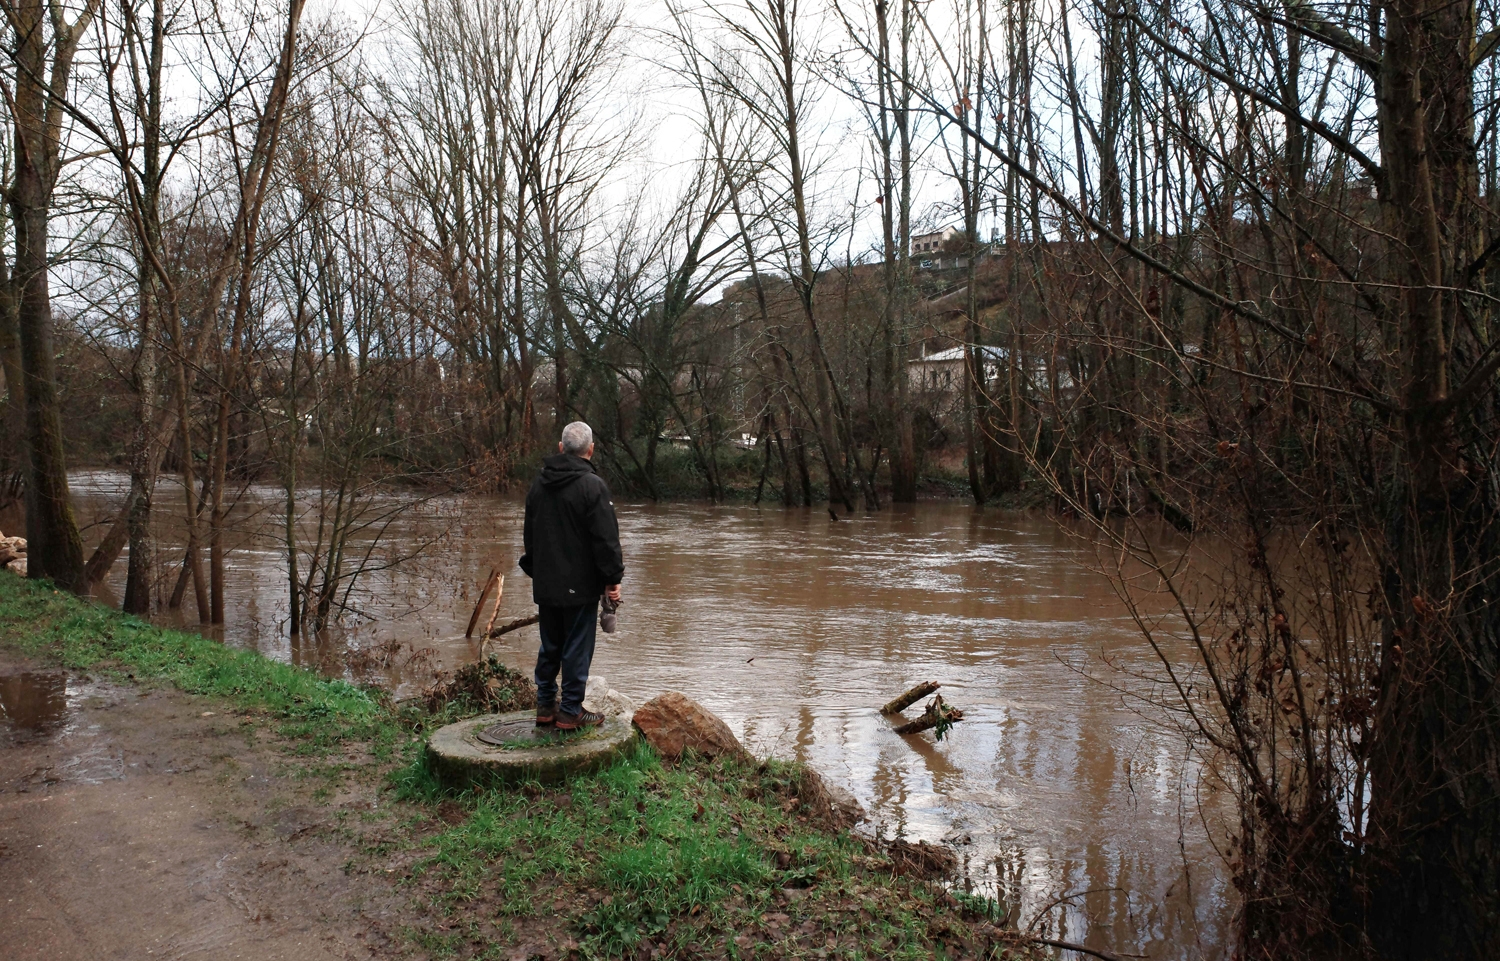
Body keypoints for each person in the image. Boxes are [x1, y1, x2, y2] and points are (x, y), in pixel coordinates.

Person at [519, 421, 624, 730]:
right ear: (590, 450)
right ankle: (570, 711)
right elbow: (606, 541)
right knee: (577, 646)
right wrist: (612, 579)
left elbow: (529, 537)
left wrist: (536, 570)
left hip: (546, 582)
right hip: (580, 585)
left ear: (561, 448)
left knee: (550, 644)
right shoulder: (593, 486)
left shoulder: (538, 485)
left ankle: (545, 705)